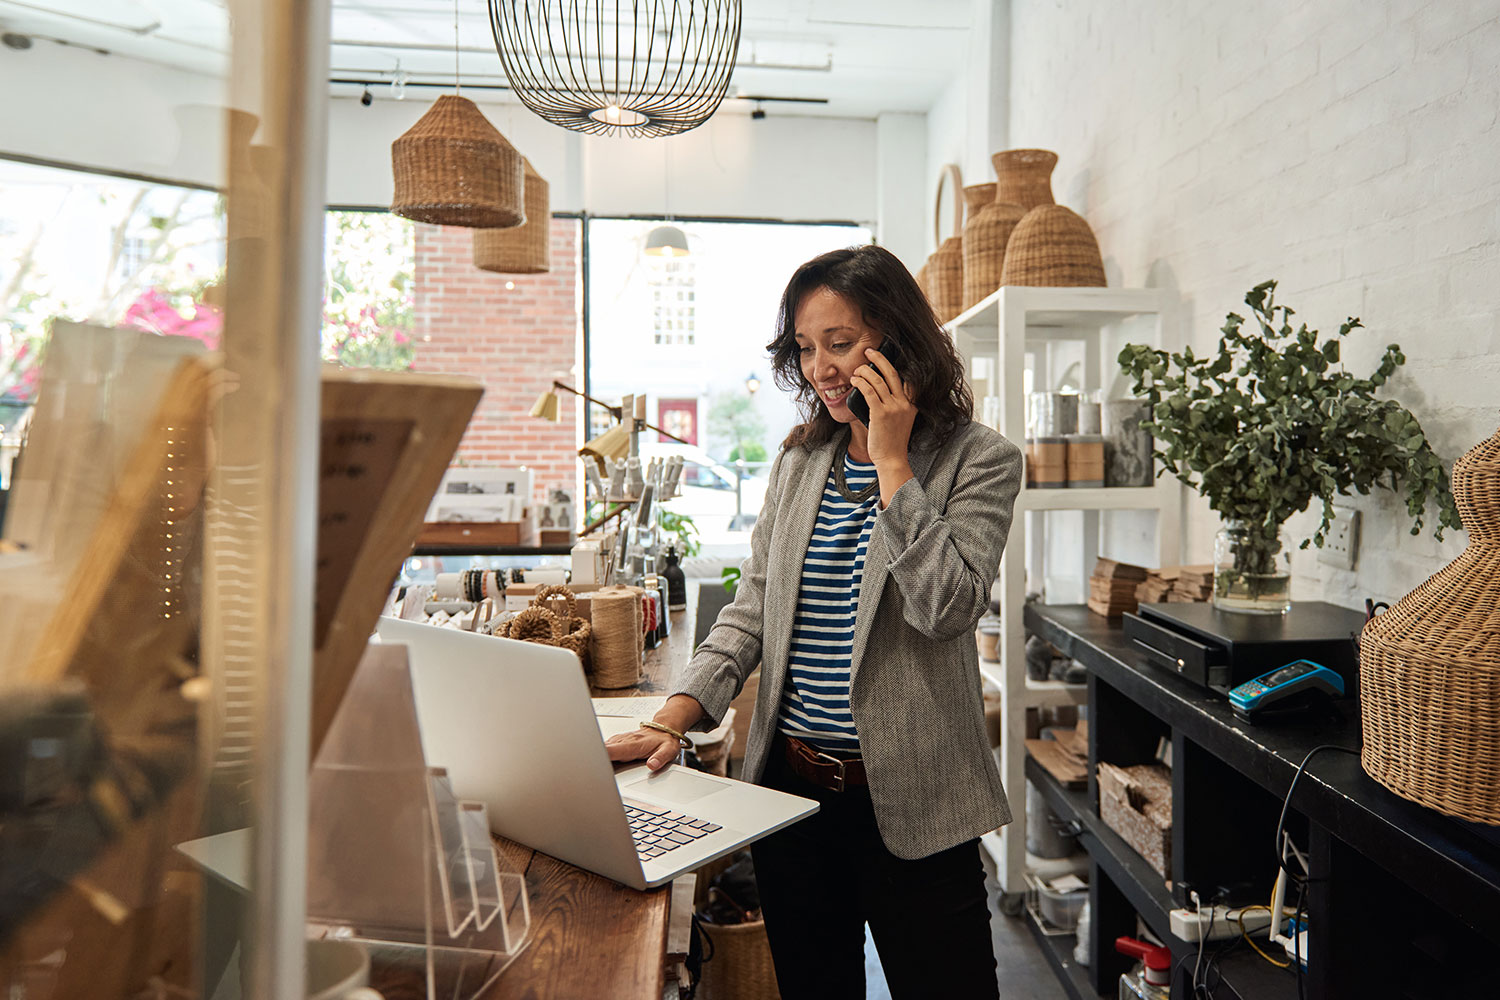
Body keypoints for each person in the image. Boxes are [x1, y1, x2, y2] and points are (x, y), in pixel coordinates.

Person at [606, 244, 1022, 999]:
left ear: (898, 342)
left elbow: (947, 608)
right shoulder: (800, 465)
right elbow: (752, 612)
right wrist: (674, 716)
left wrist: (893, 465)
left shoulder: (979, 459)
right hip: (793, 799)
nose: (821, 368)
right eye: (805, 347)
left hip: (919, 804)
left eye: (840, 342)